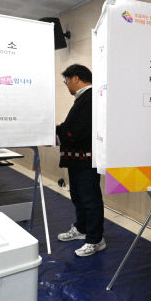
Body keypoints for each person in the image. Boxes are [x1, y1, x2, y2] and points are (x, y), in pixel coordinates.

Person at [55, 64, 105, 257]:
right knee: (78, 195)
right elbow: (72, 127)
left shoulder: (91, 97)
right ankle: (82, 229)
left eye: (66, 80)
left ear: (75, 78)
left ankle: (95, 239)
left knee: (90, 199)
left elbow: (78, 130)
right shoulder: (83, 98)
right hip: (78, 158)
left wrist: (57, 133)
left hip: (86, 159)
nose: (67, 85)